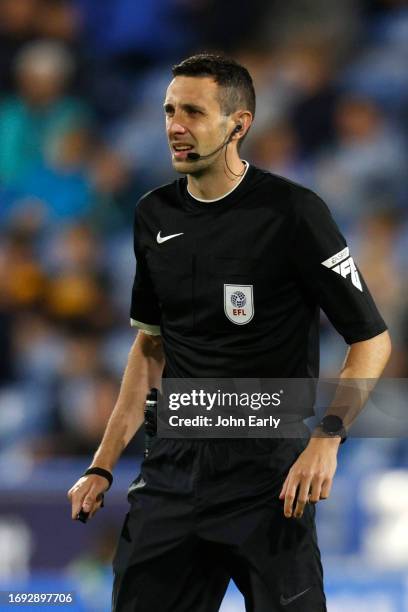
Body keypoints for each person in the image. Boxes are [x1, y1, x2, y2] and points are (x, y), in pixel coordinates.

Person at [67, 54, 391, 611]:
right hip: (173, 470)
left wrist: (328, 438)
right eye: (169, 110)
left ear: (238, 125)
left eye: (193, 111)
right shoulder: (154, 215)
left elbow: (371, 339)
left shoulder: (294, 213)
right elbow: (149, 347)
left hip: (268, 478)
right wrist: (102, 463)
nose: (174, 125)